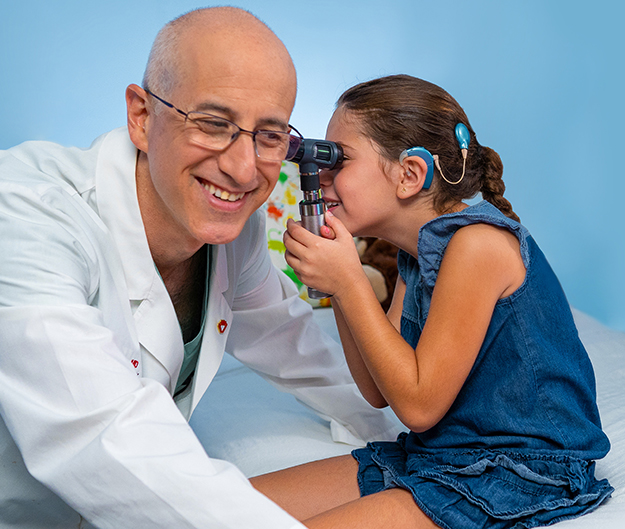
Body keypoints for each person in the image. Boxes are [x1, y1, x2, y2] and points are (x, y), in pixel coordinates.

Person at [0, 8, 400, 529]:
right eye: (214, 125)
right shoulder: (25, 218)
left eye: (270, 135)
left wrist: (422, 440)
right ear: (142, 116)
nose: (241, 169)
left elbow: (297, 348)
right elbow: (109, 441)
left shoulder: (235, 233)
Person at [251, 74, 613, 529]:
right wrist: (341, 283)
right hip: (440, 455)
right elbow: (378, 390)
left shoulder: (477, 246)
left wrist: (349, 284)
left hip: (524, 470)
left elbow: (419, 408)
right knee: (225, 506)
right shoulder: (414, 255)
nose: (320, 176)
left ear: (409, 175)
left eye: (338, 161)